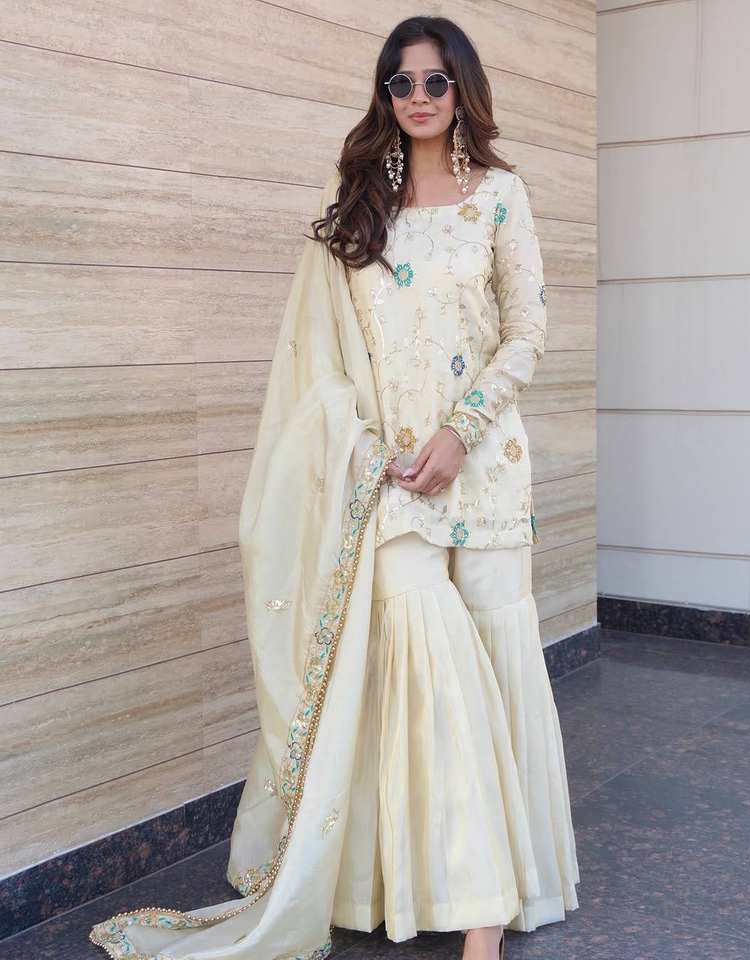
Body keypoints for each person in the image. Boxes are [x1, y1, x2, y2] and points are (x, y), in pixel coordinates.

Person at [88, 15, 579, 960]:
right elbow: (315, 358)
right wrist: (366, 449)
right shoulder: (355, 198)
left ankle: (503, 891)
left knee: (495, 666)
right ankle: (429, 893)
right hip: (386, 475)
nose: (417, 98)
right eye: (400, 83)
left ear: (462, 89)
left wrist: (460, 432)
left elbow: (527, 334)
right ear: (384, 95)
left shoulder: (501, 195)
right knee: (430, 677)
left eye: (434, 81)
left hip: (483, 469)